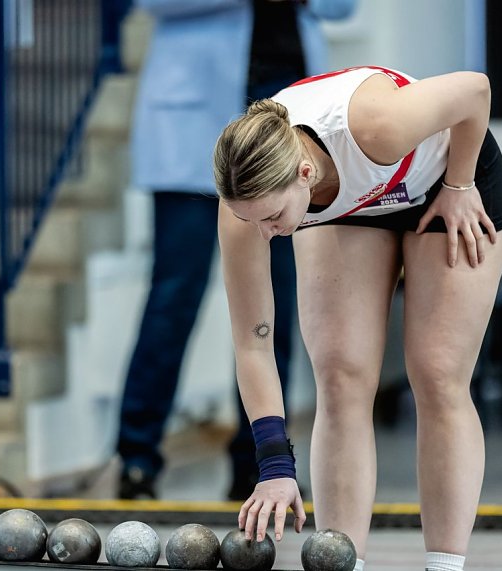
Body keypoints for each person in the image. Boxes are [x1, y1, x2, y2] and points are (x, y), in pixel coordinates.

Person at [213, 65, 502, 571]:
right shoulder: (248, 202)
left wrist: (460, 185)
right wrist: (274, 465)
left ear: (304, 174)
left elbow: (476, 89)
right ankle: (342, 562)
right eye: (250, 220)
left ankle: (444, 565)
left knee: (437, 372)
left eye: (271, 220)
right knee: (340, 372)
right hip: (347, 205)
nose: (262, 234)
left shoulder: (377, 124)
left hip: (444, 176)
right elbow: (253, 343)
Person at [116, 0, 357, 501]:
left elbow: (342, 8)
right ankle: (137, 457)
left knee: (281, 306)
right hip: (195, 123)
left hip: (285, 116)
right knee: (174, 296)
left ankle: (262, 462)